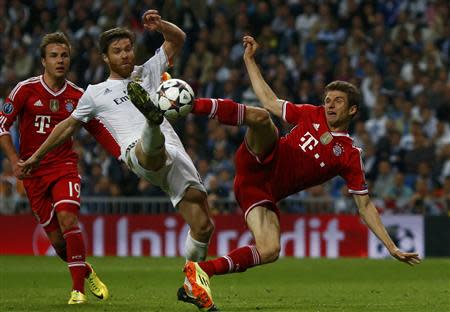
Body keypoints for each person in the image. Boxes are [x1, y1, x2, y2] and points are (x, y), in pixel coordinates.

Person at [177, 36, 422, 311]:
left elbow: (364, 205)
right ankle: (188, 104)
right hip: (259, 159)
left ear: (352, 110)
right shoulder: (310, 114)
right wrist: (249, 60)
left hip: (258, 191)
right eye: (327, 99)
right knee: (261, 117)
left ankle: (199, 275)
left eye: (338, 101)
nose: (329, 105)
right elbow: (270, 100)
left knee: (270, 250)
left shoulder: (351, 155)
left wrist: (391, 247)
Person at [18, 10, 215, 292]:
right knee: (151, 149)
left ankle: (191, 284)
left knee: (203, 222)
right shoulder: (95, 93)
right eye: (117, 51)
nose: (125, 55)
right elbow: (66, 127)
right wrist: (36, 157)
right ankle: (152, 118)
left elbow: (179, 38)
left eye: (128, 49)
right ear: (105, 58)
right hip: (137, 152)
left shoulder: (147, 71)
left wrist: (160, 25)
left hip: (173, 151)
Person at [0, 32, 109, 304]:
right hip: (33, 173)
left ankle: (77, 292)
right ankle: (85, 270)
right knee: (60, 244)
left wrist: (123, 151)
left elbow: (98, 128)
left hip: (64, 166)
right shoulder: (24, 90)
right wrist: (14, 160)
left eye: (64, 55)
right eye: (54, 56)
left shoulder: (78, 95)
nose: (60, 61)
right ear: (43, 61)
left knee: (68, 219)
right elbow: (2, 125)